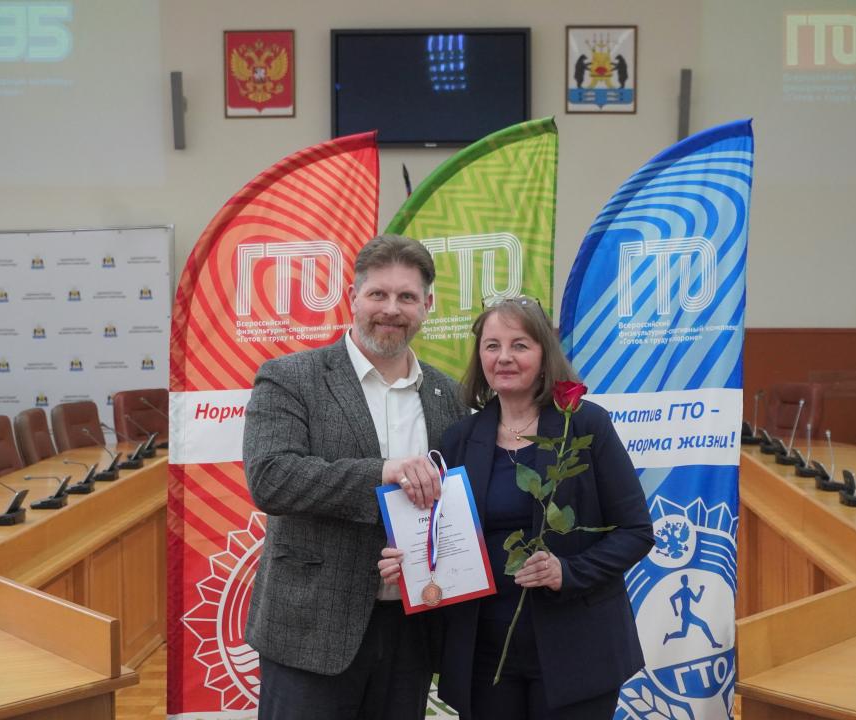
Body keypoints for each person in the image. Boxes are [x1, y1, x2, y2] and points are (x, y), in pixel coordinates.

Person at [379, 296, 654, 719]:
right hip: (485, 656)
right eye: (492, 346)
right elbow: (438, 534)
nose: (503, 357)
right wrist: (409, 563)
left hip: (577, 650)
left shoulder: (585, 426)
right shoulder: (459, 438)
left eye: (519, 345)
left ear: (544, 356)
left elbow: (636, 531)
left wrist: (569, 572)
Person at [242, 234, 465, 720]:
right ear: (353, 298)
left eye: (407, 296)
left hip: (411, 630)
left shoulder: (449, 395)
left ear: (427, 306)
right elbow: (271, 477)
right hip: (310, 630)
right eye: (378, 294)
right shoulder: (290, 377)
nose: (392, 309)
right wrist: (383, 473)